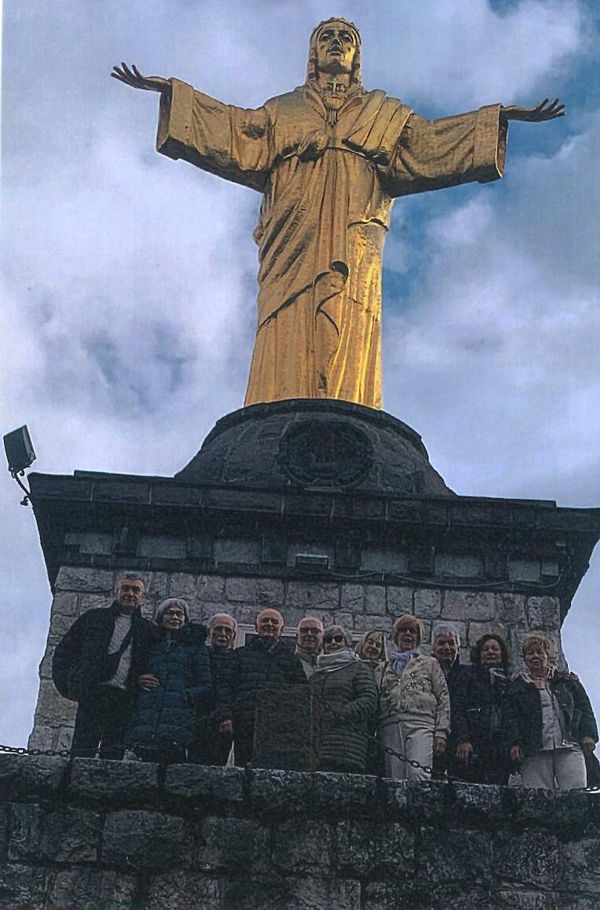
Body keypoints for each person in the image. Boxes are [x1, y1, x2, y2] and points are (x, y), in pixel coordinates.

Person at [112, 21, 563, 410]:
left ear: (356, 54)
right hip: (292, 227)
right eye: (325, 37)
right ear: (313, 52)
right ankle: (277, 401)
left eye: (344, 38)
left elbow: (426, 143)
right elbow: (236, 131)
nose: (334, 43)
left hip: (356, 226)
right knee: (285, 310)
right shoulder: (282, 110)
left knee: (350, 306)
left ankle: (351, 404)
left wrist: (497, 119)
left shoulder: (382, 113)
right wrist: (174, 94)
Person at [52, 574, 154, 758]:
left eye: (136, 590)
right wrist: (69, 686)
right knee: (82, 752)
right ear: (117, 592)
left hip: (124, 698)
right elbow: (63, 653)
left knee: (113, 755)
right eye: (126, 588)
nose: (130, 593)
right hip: (93, 693)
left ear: (142, 598)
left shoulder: (148, 630)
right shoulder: (93, 618)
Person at [504, 632, 598, 790]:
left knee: (575, 794)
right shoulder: (516, 688)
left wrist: (589, 734)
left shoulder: (567, 681)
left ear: (547, 655)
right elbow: (511, 718)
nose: (535, 656)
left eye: (539, 652)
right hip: (534, 750)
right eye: (530, 653)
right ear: (524, 658)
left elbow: (584, 708)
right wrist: (515, 743)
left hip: (569, 746)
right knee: (538, 797)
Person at [124, 598, 212, 763]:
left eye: (180, 614)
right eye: (170, 613)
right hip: (146, 713)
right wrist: (139, 680)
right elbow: (133, 670)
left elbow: (206, 684)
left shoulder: (195, 648)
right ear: (161, 617)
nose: (175, 617)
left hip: (178, 718)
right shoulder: (149, 644)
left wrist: (184, 696)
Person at [230, 608, 307, 766]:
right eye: (265, 621)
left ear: (282, 630)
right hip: (245, 721)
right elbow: (227, 688)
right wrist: (226, 716)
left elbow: (300, 694)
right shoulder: (239, 655)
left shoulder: (291, 661)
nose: (269, 624)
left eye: (274, 621)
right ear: (256, 626)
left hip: (277, 725)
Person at [378, 614, 450, 781]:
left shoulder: (430, 663)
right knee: (395, 778)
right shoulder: (382, 668)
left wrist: (441, 732)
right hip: (390, 725)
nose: (408, 634)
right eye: (403, 630)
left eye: (413, 631)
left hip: (421, 724)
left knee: (418, 773)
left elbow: (443, 697)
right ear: (396, 635)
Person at [310, 625, 377, 774]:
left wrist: (340, 714)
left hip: (348, 746)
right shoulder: (316, 675)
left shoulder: (358, 668)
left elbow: (369, 699)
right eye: (328, 639)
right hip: (319, 747)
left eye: (338, 638)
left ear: (348, 643)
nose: (333, 642)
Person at [452, 633, 512, 785]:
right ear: (479, 654)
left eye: (495, 649)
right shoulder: (468, 675)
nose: (490, 652)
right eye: (485, 649)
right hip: (474, 744)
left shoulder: (509, 682)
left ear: (502, 654)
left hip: (499, 748)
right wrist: (463, 739)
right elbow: (458, 707)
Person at [194, 612, 237, 766]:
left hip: (224, 722)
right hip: (197, 718)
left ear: (234, 636)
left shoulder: (237, 660)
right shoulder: (197, 656)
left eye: (228, 630)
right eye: (218, 629)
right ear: (210, 632)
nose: (223, 634)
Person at [431, 623, 467, 780]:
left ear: (458, 647)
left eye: (451, 643)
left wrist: (464, 738)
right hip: (431, 735)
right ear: (433, 647)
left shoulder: (467, 675)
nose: (446, 647)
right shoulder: (425, 671)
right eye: (441, 643)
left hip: (459, 740)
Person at [355, 628, 389, 775]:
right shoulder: (351, 665)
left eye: (378, 645)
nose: (373, 647)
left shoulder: (386, 672)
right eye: (370, 642)